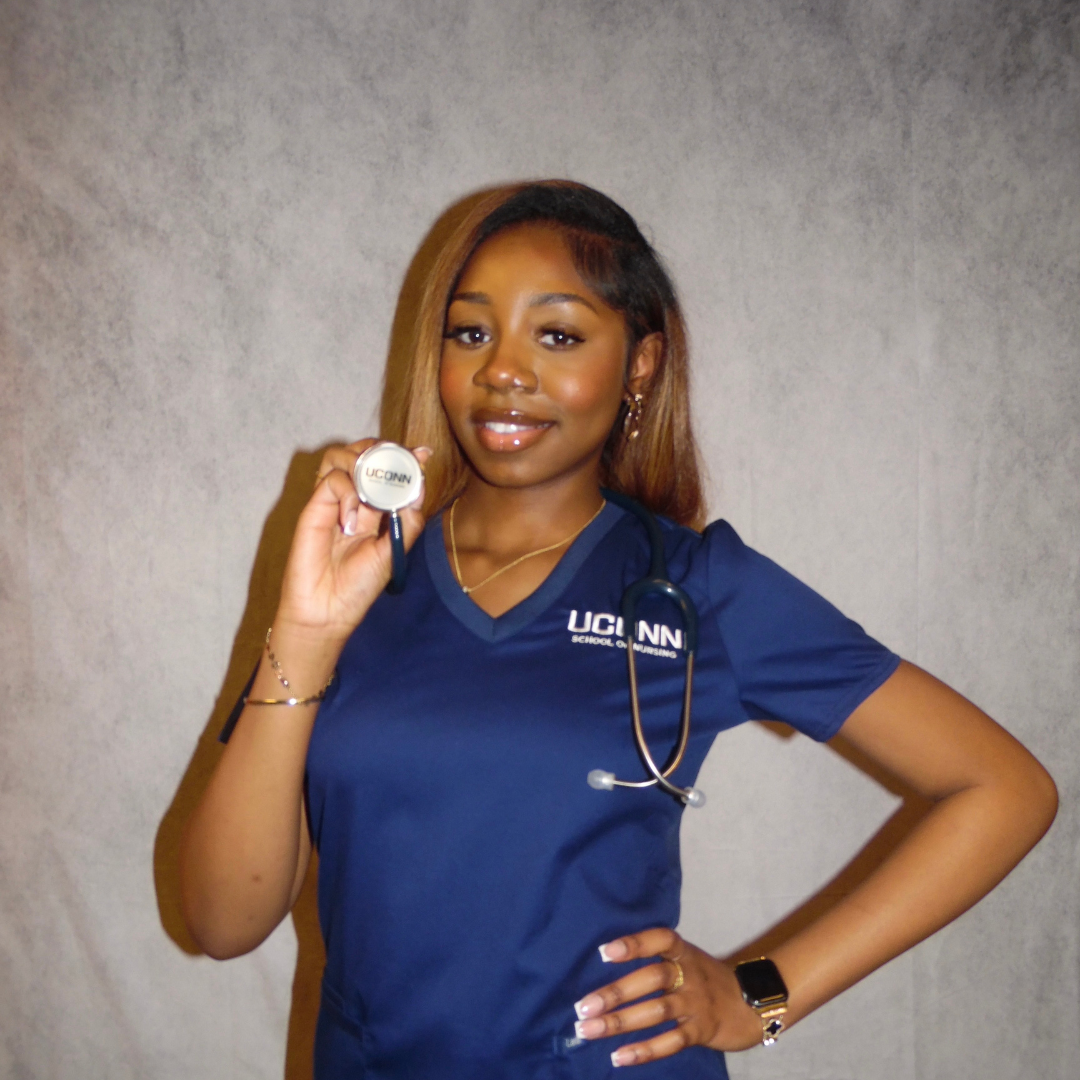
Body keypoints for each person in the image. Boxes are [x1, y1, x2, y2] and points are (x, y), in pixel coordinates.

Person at [179, 181, 1057, 1079]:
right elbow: (221, 922)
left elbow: (1001, 788)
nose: (502, 371)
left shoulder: (697, 585)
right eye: (471, 331)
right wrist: (308, 628)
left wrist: (760, 997)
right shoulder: (359, 577)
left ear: (640, 364)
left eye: (556, 335)